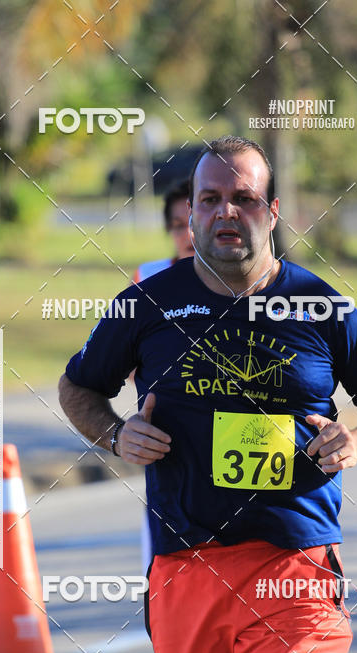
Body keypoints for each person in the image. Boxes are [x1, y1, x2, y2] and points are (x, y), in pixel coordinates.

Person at [59, 136, 357, 653]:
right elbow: (79, 388)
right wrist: (115, 434)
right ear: (191, 214)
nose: (226, 213)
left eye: (243, 198)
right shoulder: (148, 303)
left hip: (294, 564)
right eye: (211, 200)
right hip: (186, 568)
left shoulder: (319, 304)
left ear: (272, 212)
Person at [132, 180, 194, 574]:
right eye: (177, 225)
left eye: (194, 219)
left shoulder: (250, 278)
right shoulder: (150, 278)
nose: (187, 233)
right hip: (168, 446)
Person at [133, 179, 193, 283]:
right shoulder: (146, 276)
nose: (189, 234)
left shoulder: (228, 280)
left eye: (195, 223)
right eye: (179, 226)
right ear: (168, 228)